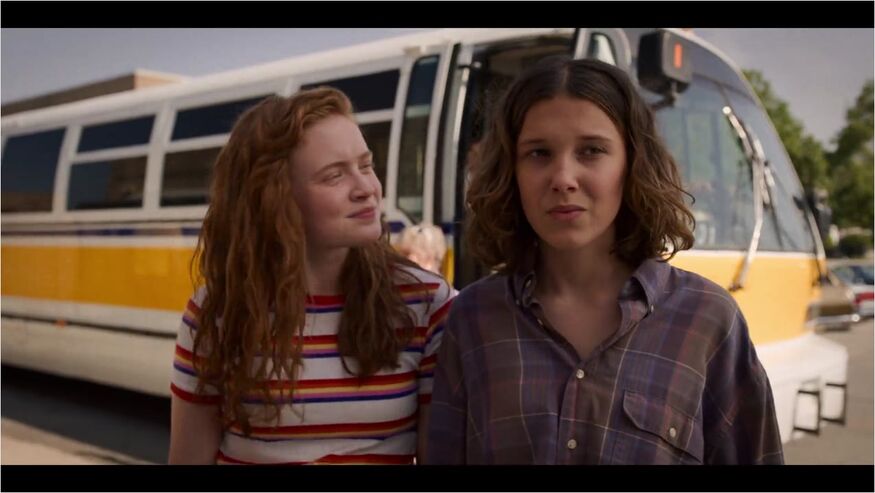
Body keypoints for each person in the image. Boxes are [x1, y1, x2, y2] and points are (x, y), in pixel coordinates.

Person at [425, 56, 783, 465]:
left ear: (633, 164)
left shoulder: (707, 321)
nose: (563, 178)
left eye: (591, 151)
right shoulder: (474, 319)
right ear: (511, 171)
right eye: (539, 153)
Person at [168, 88, 454, 465]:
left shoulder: (427, 305)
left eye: (366, 165)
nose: (367, 189)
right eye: (334, 175)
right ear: (275, 198)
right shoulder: (218, 312)